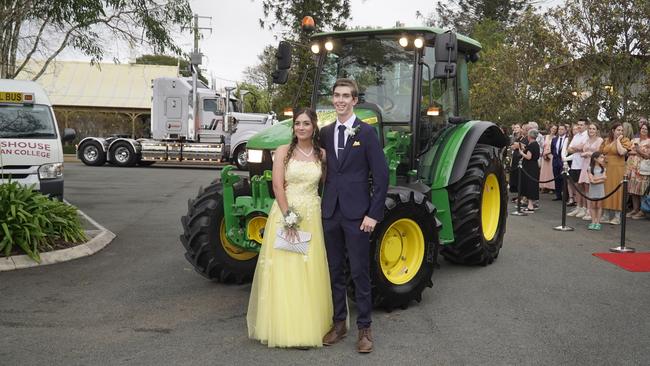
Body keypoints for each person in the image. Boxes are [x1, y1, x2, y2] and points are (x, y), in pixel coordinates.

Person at [247, 108, 333, 348]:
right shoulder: (284, 152)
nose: (301, 128)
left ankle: (309, 325)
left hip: (312, 214)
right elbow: (277, 186)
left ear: (314, 127)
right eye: (297, 124)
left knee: (309, 269)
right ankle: (286, 328)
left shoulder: (322, 155)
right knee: (288, 269)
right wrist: (288, 217)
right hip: (288, 214)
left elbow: (327, 182)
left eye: (306, 123)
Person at [319, 78, 389, 354]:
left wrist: (373, 214)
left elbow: (381, 176)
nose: (340, 100)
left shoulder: (367, 132)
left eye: (346, 96)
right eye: (336, 95)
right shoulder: (324, 132)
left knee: (359, 272)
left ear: (354, 101)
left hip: (358, 215)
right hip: (330, 212)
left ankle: (364, 328)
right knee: (334, 271)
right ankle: (339, 324)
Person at [600, 122, 632, 224]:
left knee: (618, 191)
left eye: (622, 130)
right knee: (606, 190)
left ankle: (617, 216)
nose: (620, 132)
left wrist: (617, 140)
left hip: (618, 169)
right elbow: (601, 152)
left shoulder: (625, 140)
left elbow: (621, 152)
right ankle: (606, 214)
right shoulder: (606, 140)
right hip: (607, 168)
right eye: (618, 130)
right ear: (613, 131)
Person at [577, 123, 603, 221]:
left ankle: (591, 210)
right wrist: (584, 153)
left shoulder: (600, 140)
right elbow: (581, 150)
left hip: (594, 165)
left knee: (591, 188)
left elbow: (599, 154)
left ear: (597, 130)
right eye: (590, 129)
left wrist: (588, 153)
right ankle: (586, 208)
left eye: (593, 129)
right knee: (584, 187)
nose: (591, 130)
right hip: (585, 164)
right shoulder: (587, 140)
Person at [626, 120, 650, 219]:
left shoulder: (649, 141)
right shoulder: (634, 140)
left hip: (642, 169)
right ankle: (635, 209)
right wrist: (636, 151)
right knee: (633, 190)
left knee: (641, 190)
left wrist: (638, 150)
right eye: (642, 128)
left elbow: (647, 156)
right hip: (632, 168)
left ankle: (642, 210)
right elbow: (627, 152)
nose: (643, 130)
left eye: (646, 129)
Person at [567, 119, 589, 217]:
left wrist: (576, 148)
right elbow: (569, 149)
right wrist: (577, 148)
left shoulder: (587, 135)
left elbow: (583, 148)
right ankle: (579, 207)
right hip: (574, 164)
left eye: (582, 124)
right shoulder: (576, 136)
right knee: (577, 187)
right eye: (578, 124)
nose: (580, 126)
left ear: (586, 125)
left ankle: (585, 208)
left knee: (584, 187)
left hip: (583, 164)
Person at [516, 129, 540, 212]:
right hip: (534, 166)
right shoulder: (535, 144)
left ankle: (530, 206)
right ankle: (530, 204)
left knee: (530, 185)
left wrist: (521, 152)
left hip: (530, 167)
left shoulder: (532, 145)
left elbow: (529, 157)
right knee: (531, 184)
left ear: (529, 136)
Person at [587, 152, 607, 230]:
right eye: (601, 157)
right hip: (593, 190)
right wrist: (601, 178)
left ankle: (598, 222)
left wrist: (596, 179)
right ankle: (593, 221)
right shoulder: (590, 168)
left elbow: (604, 179)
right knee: (593, 205)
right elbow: (592, 181)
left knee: (599, 206)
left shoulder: (603, 169)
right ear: (595, 159)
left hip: (600, 190)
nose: (603, 159)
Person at [551, 124, 569, 201]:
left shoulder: (567, 139)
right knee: (556, 178)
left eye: (562, 129)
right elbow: (552, 149)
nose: (560, 131)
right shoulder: (554, 139)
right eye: (559, 129)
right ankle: (558, 195)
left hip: (563, 161)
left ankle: (565, 195)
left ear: (565, 130)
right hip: (555, 161)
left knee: (563, 178)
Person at [539, 124, 557, 193]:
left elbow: (554, 148)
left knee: (550, 172)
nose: (553, 130)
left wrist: (548, 153)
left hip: (551, 155)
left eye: (555, 129)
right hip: (544, 155)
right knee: (544, 171)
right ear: (550, 129)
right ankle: (543, 186)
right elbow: (543, 146)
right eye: (553, 128)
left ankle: (551, 188)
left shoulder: (555, 138)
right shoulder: (545, 137)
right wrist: (543, 154)